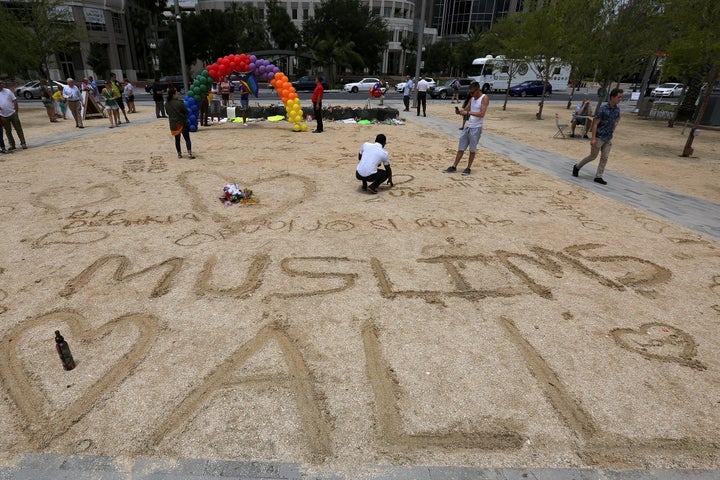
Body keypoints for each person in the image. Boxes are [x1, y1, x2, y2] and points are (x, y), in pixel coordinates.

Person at [572, 88, 623, 185]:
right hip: (599, 137)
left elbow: (616, 120)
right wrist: (593, 138)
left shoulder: (617, 110)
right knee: (593, 156)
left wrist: (613, 128)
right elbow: (595, 124)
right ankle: (577, 166)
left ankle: (599, 176)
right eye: (618, 97)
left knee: (605, 157)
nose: (620, 99)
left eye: (621, 97)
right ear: (612, 97)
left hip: (608, 138)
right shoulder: (603, 109)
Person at [442, 81, 489, 176]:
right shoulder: (472, 99)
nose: (471, 94)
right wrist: (460, 111)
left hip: (476, 127)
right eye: (470, 93)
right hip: (468, 126)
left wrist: (468, 113)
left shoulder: (484, 98)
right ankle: (454, 166)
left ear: (477, 90)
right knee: (461, 147)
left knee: (472, 149)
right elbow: (466, 109)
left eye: (472, 92)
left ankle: (468, 167)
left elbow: (481, 114)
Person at [165, 88, 194, 159]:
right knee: (187, 138)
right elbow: (186, 111)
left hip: (174, 124)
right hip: (182, 122)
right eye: (176, 93)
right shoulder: (180, 103)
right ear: (173, 95)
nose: (177, 94)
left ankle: (179, 154)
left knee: (177, 140)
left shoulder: (166, 104)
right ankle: (189, 153)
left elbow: (167, 113)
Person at [0, 80, 27, 150]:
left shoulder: (8, 91)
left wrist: (16, 110)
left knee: (18, 129)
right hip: (3, 115)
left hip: (12, 113)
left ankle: (23, 143)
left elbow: (14, 100)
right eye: (0, 84)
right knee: (8, 131)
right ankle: (12, 145)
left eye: (2, 83)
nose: (1, 85)